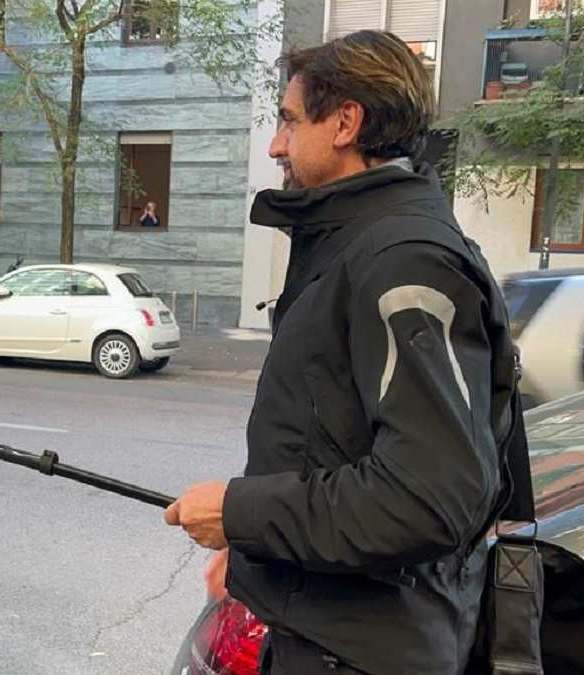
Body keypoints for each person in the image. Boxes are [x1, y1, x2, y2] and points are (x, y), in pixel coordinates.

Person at [164, 31, 520, 674]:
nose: (276, 144)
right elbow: (331, 442)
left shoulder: (402, 259)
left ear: (345, 123)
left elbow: (427, 496)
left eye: (289, 120)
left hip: (361, 652)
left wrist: (240, 513)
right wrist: (255, 551)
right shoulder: (366, 243)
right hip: (336, 631)